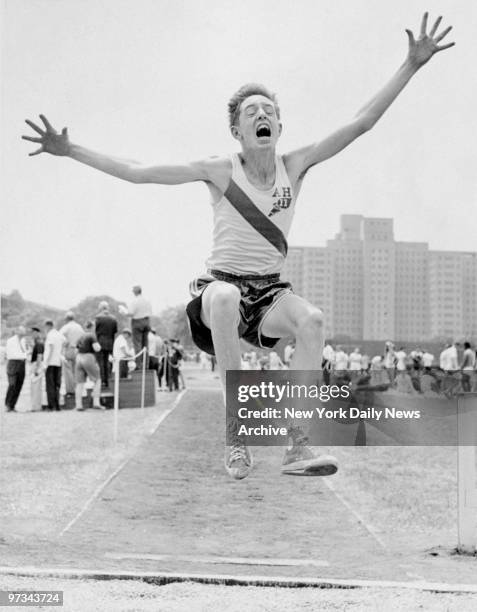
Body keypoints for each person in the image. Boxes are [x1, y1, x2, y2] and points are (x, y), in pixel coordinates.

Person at [23, 13, 454, 479]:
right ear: (237, 132)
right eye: (251, 113)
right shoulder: (221, 170)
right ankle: (237, 431)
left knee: (312, 320)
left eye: (268, 110)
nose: (261, 115)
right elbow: (139, 170)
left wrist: (411, 64)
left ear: (280, 124)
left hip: (269, 294)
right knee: (227, 295)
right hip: (219, 291)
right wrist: (73, 150)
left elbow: (361, 122)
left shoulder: (296, 164)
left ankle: (296, 442)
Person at [118, 286, 152, 366]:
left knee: (137, 344)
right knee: (145, 344)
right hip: (146, 321)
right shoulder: (147, 300)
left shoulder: (135, 301)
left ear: (135, 292)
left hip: (137, 321)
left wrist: (123, 312)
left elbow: (130, 313)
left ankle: (139, 364)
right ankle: (146, 363)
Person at [75, 321, 103, 411]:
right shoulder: (91, 335)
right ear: (92, 327)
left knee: (80, 383)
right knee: (97, 380)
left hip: (78, 358)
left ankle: (78, 405)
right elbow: (96, 348)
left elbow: (76, 349)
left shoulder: (80, 337)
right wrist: (100, 347)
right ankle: (96, 402)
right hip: (88, 357)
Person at [59, 311, 84, 395]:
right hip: (78, 350)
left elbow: (59, 337)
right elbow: (83, 338)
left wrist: (65, 343)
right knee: (76, 371)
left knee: (67, 370)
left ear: (66, 319)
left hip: (69, 349)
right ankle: (78, 389)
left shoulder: (66, 327)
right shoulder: (79, 327)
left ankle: (70, 390)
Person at [94, 301, 118, 388]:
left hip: (100, 342)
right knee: (107, 362)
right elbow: (115, 331)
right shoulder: (113, 318)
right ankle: (108, 380)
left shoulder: (98, 318)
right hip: (110, 342)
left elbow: (95, 331)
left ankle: (102, 381)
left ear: (101, 308)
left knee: (100, 362)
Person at [43, 320, 65, 411]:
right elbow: (65, 342)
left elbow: (50, 348)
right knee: (57, 384)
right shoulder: (59, 334)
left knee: (50, 385)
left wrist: (46, 362)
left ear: (48, 326)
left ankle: (51, 405)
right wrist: (60, 353)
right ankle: (57, 405)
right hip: (58, 362)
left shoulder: (50, 335)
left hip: (51, 363)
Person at [4, 326, 27, 412]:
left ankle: (12, 405)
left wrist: (25, 356)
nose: (23, 333)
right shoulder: (11, 341)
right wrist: (24, 356)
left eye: (24, 331)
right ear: (17, 331)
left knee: (19, 385)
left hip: (22, 364)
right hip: (13, 363)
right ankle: (7, 404)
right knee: (12, 384)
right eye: (22, 331)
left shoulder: (23, 341)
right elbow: (11, 354)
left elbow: (24, 352)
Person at [30, 326, 45, 411]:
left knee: (35, 386)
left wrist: (36, 368)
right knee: (35, 386)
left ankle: (36, 407)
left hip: (37, 364)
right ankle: (35, 406)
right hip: (36, 364)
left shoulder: (39, 343)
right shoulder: (37, 343)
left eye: (33, 333)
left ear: (36, 333)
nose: (32, 335)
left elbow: (39, 356)